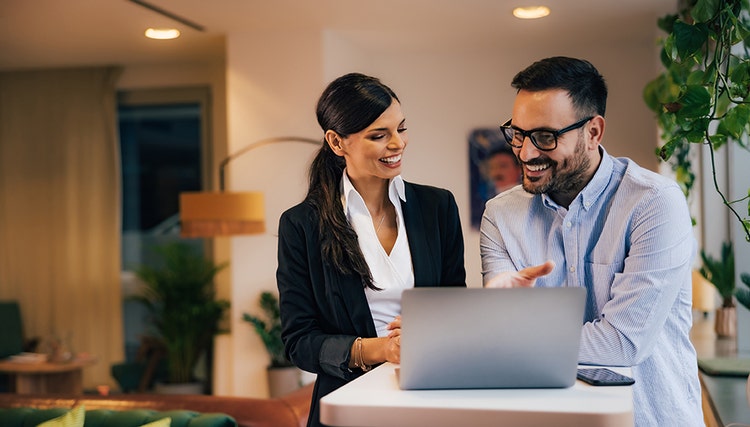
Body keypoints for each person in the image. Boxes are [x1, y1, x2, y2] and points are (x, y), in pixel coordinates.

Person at [479, 57, 703, 427]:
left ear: (594, 132)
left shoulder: (654, 203)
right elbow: (502, 327)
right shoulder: (500, 216)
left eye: (546, 137)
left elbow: (622, 344)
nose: (526, 152)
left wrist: (506, 334)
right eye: (518, 134)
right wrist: (494, 321)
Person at [277, 72, 466, 427]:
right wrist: (379, 348)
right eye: (379, 135)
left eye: (401, 128)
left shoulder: (437, 207)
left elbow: (455, 304)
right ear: (337, 142)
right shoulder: (302, 225)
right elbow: (299, 341)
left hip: (431, 400)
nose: (398, 144)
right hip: (350, 407)